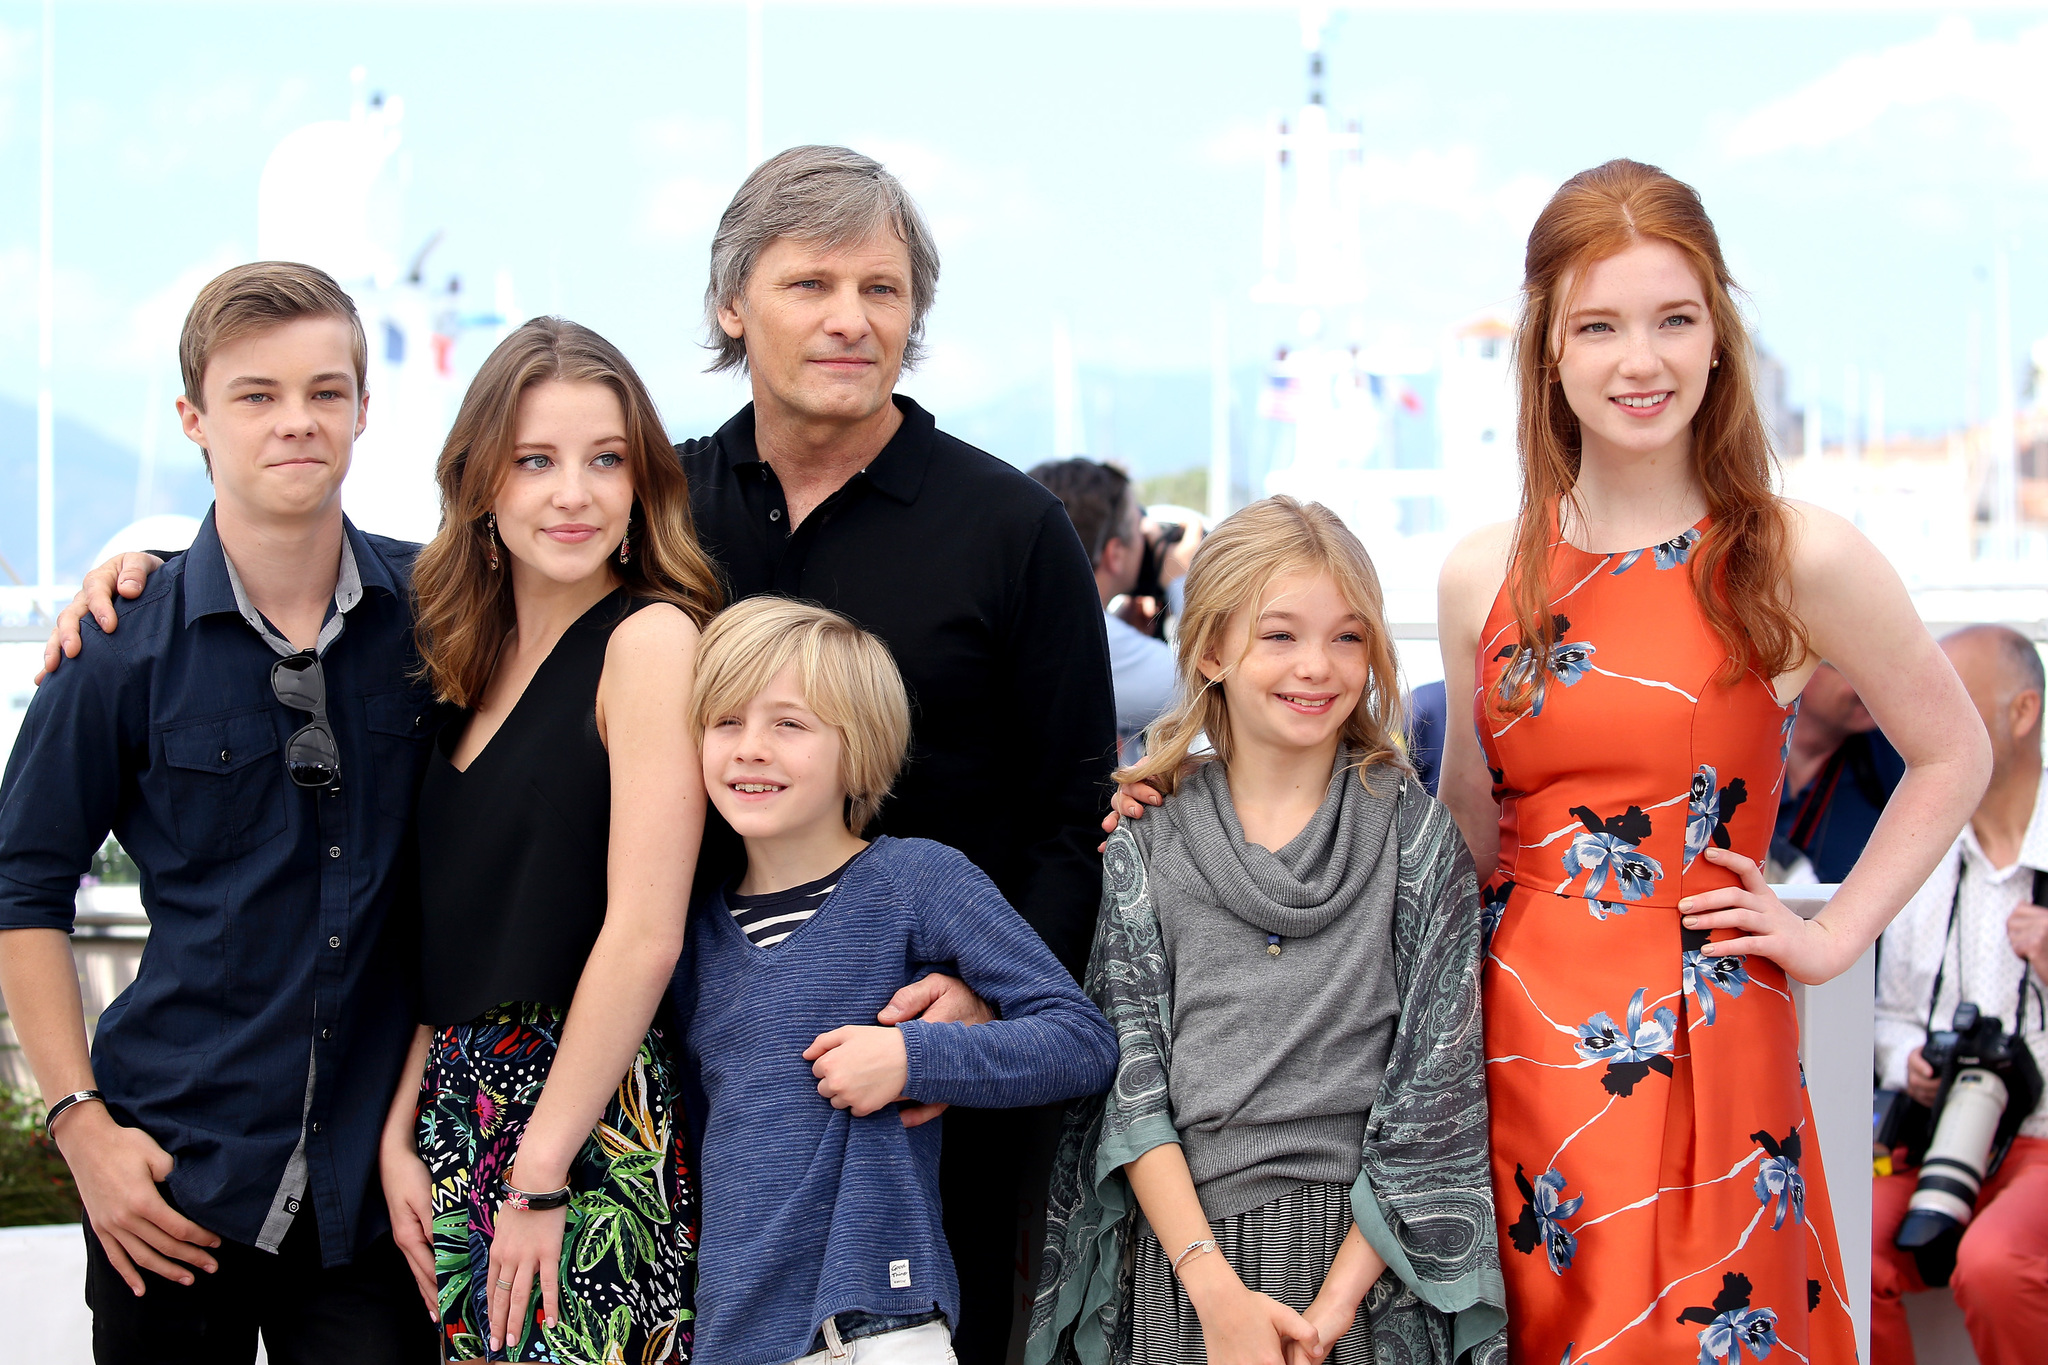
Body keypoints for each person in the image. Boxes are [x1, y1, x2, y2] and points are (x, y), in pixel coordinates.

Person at [50, 144, 1118, 1362]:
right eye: (810, 284)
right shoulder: (624, 540)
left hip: (893, 1077)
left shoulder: (1005, 529)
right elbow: (357, 631)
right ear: (732, 304)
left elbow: (1067, 812)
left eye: (879, 290)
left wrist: (976, 1010)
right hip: (665, 1088)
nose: (848, 319)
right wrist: (147, 580)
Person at [1432, 160, 1987, 1365]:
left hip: (1708, 1039)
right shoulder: (1481, 572)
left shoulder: (1790, 556)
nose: (1641, 361)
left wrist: (1832, 939)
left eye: (1673, 319)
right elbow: (1458, 840)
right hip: (1509, 1048)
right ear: (1547, 353)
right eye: (1599, 326)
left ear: (1718, 340)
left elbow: (1956, 748)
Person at [0, 263, 439, 1363]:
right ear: (195, 417)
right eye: (257, 395)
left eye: (325, 391)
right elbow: (22, 889)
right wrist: (80, 1130)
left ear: (362, 410)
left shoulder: (445, 619)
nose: (297, 421)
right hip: (166, 1182)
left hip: (371, 1199)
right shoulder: (117, 649)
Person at [1032, 496, 1506, 1365]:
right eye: (1279, 635)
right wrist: (1215, 1293)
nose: (1317, 667)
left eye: (1349, 637)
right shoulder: (1149, 838)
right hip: (1187, 1269)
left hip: (1369, 1275)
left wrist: (1329, 1313)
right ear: (1211, 648)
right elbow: (1132, 1086)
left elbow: (1431, 1098)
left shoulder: (1414, 836)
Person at [377, 319, 720, 1363]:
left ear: (639, 485)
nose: (572, 493)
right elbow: (453, 933)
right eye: (535, 461)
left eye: (604, 460)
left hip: (586, 1124)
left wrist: (540, 1167)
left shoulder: (650, 642)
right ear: (482, 484)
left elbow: (643, 934)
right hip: (455, 1116)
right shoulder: (465, 657)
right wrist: (400, 1129)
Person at [675, 596, 1117, 1365]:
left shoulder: (916, 878)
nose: (751, 748)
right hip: (729, 1336)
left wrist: (913, 1058)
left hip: (876, 1326)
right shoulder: (687, 937)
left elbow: (1080, 1040)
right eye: (726, 721)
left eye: (789, 723)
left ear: (858, 747)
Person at [1870, 625, 2048, 1365]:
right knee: (1836, 1239)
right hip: (1937, 1132)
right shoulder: (1921, 844)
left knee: (1996, 1265)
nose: (1930, 718)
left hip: (2039, 1136)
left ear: (2022, 712)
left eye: (1955, 700)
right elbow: (1890, 1016)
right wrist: (1909, 1056)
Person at [1027, 458, 1198, 765]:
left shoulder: (1041, 621)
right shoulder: (1089, 638)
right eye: (1138, 526)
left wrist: (1123, 628)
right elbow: (1210, 687)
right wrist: (1182, 579)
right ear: (1114, 554)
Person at [1772, 661, 1906, 884]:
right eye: (1856, 666)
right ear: (1799, 665)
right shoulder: (1733, 746)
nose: (1882, 687)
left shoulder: (1897, 759)